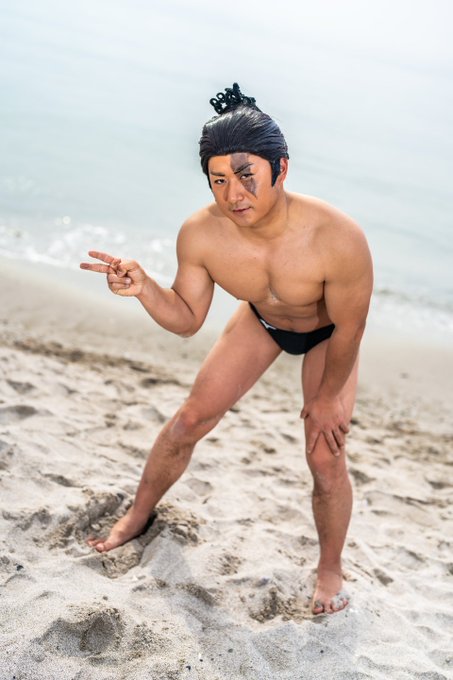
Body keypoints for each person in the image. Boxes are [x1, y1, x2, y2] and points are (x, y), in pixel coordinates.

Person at [80, 83, 373, 615]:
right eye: (219, 180)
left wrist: (328, 397)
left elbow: (351, 330)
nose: (234, 193)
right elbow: (187, 320)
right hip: (262, 320)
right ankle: (138, 514)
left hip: (329, 335)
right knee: (189, 421)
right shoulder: (202, 234)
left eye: (246, 175)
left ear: (281, 169)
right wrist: (145, 288)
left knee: (324, 454)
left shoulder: (338, 237)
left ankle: (330, 568)